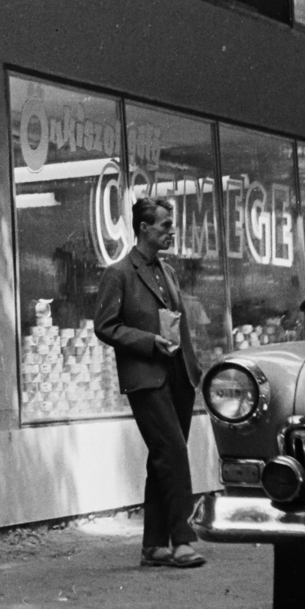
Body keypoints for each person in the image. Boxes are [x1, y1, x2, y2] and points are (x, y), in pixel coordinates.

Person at [95, 198, 205, 569]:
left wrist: (195, 367)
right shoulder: (119, 273)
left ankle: (153, 545)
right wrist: (147, 341)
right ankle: (183, 540)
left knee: (163, 458)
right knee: (172, 451)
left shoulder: (168, 271)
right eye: (164, 225)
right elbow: (105, 326)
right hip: (146, 377)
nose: (171, 231)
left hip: (179, 375)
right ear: (143, 228)